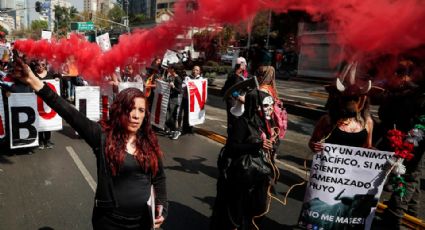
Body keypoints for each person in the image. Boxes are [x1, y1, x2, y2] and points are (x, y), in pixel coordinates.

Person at [12, 58, 168, 230]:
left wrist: (162, 208)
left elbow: (159, 178)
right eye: (130, 108)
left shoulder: (149, 141)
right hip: (109, 222)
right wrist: (34, 81)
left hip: (143, 222)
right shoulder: (102, 137)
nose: (136, 115)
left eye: (141, 110)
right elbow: (68, 112)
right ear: (120, 110)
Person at [210, 89, 279, 230]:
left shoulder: (266, 122)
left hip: (261, 175)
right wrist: (257, 145)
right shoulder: (242, 122)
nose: (270, 108)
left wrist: (272, 143)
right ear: (255, 106)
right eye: (265, 105)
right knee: (236, 210)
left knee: (258, 208)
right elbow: (232, 147)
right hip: (242, 175)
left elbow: (270, 144)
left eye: (271, 105)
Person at [376, 59, 425, 229]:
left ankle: (393, 218)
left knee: (407, 177)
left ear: (404, 76)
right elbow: (384, 117)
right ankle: (411, 213)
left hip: (413, 144)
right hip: (396, 139)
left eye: (395, 74)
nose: (391, 77)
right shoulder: (396, 93)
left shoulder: (417, 96)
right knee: (412, 177)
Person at [29, 59, 58, 149]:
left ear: (45, 65)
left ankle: (48, 140)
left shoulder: (49, 74)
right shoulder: (34, 74)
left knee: (47, 122)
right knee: (39, 121)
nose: (40, 66)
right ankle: (40, 141)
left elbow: (55, 83)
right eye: (38, 65)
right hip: (37, 101)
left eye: (42, 64)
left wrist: (56, 80)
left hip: (48, 102)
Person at [179, 65, 203, 134]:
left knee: (193, 115)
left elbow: (203, 89)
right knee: (186, 115)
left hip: (195, 101)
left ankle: (190, 128)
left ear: (199, 72)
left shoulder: (201, 79)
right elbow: (183, 86)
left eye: (197, 70)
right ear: (192, 70)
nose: (195, 71)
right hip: (187, 99)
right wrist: (189, 85)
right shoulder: (187, 78)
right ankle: (184, 128)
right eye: (194, 69)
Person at [164, 64, 183, 140]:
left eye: (169, 68)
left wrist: (173, 86)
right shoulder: (170, 77)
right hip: (168, 98)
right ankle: (169, 129)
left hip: (174, 99)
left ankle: (175, 131)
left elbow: (180, 91)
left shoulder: (178, 79)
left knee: (172, 115)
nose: (168, 70)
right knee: (168, 114)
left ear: (173, 70)